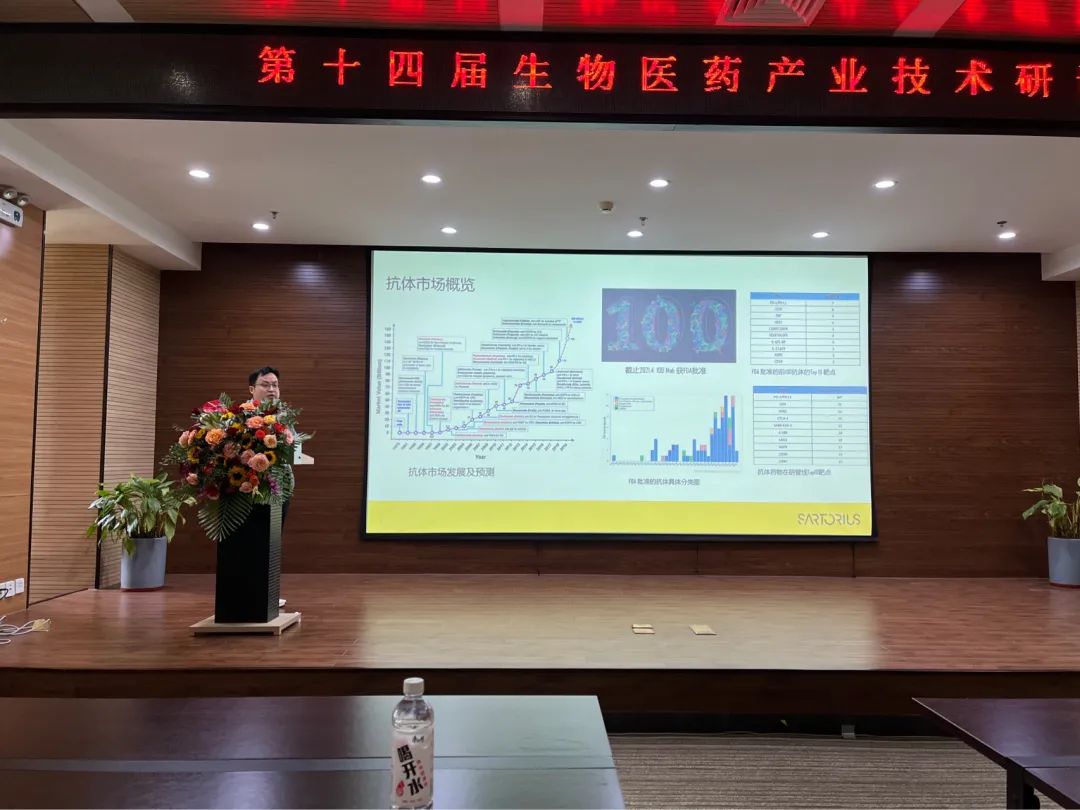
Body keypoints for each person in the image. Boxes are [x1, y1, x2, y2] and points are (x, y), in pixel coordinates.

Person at [248, 365, 291, 608]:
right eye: (265, 385)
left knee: (272, 542)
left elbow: (292, 448)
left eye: (275, 385)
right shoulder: (242, 417)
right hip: (252, 489)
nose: (272, 389)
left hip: (280, 488)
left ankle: (268, 595)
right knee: (255, 542)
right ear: (252, 389)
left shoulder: (283, 416)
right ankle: (253, 594)